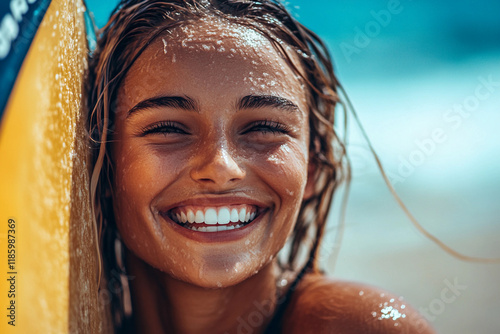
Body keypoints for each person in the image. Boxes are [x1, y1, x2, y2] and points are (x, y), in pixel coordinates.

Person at [87, 0, 435, 332]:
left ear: (312, 165)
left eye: (263, 128)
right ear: (106, 165)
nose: (221, 166)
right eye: (168, 129)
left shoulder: (357, 327)